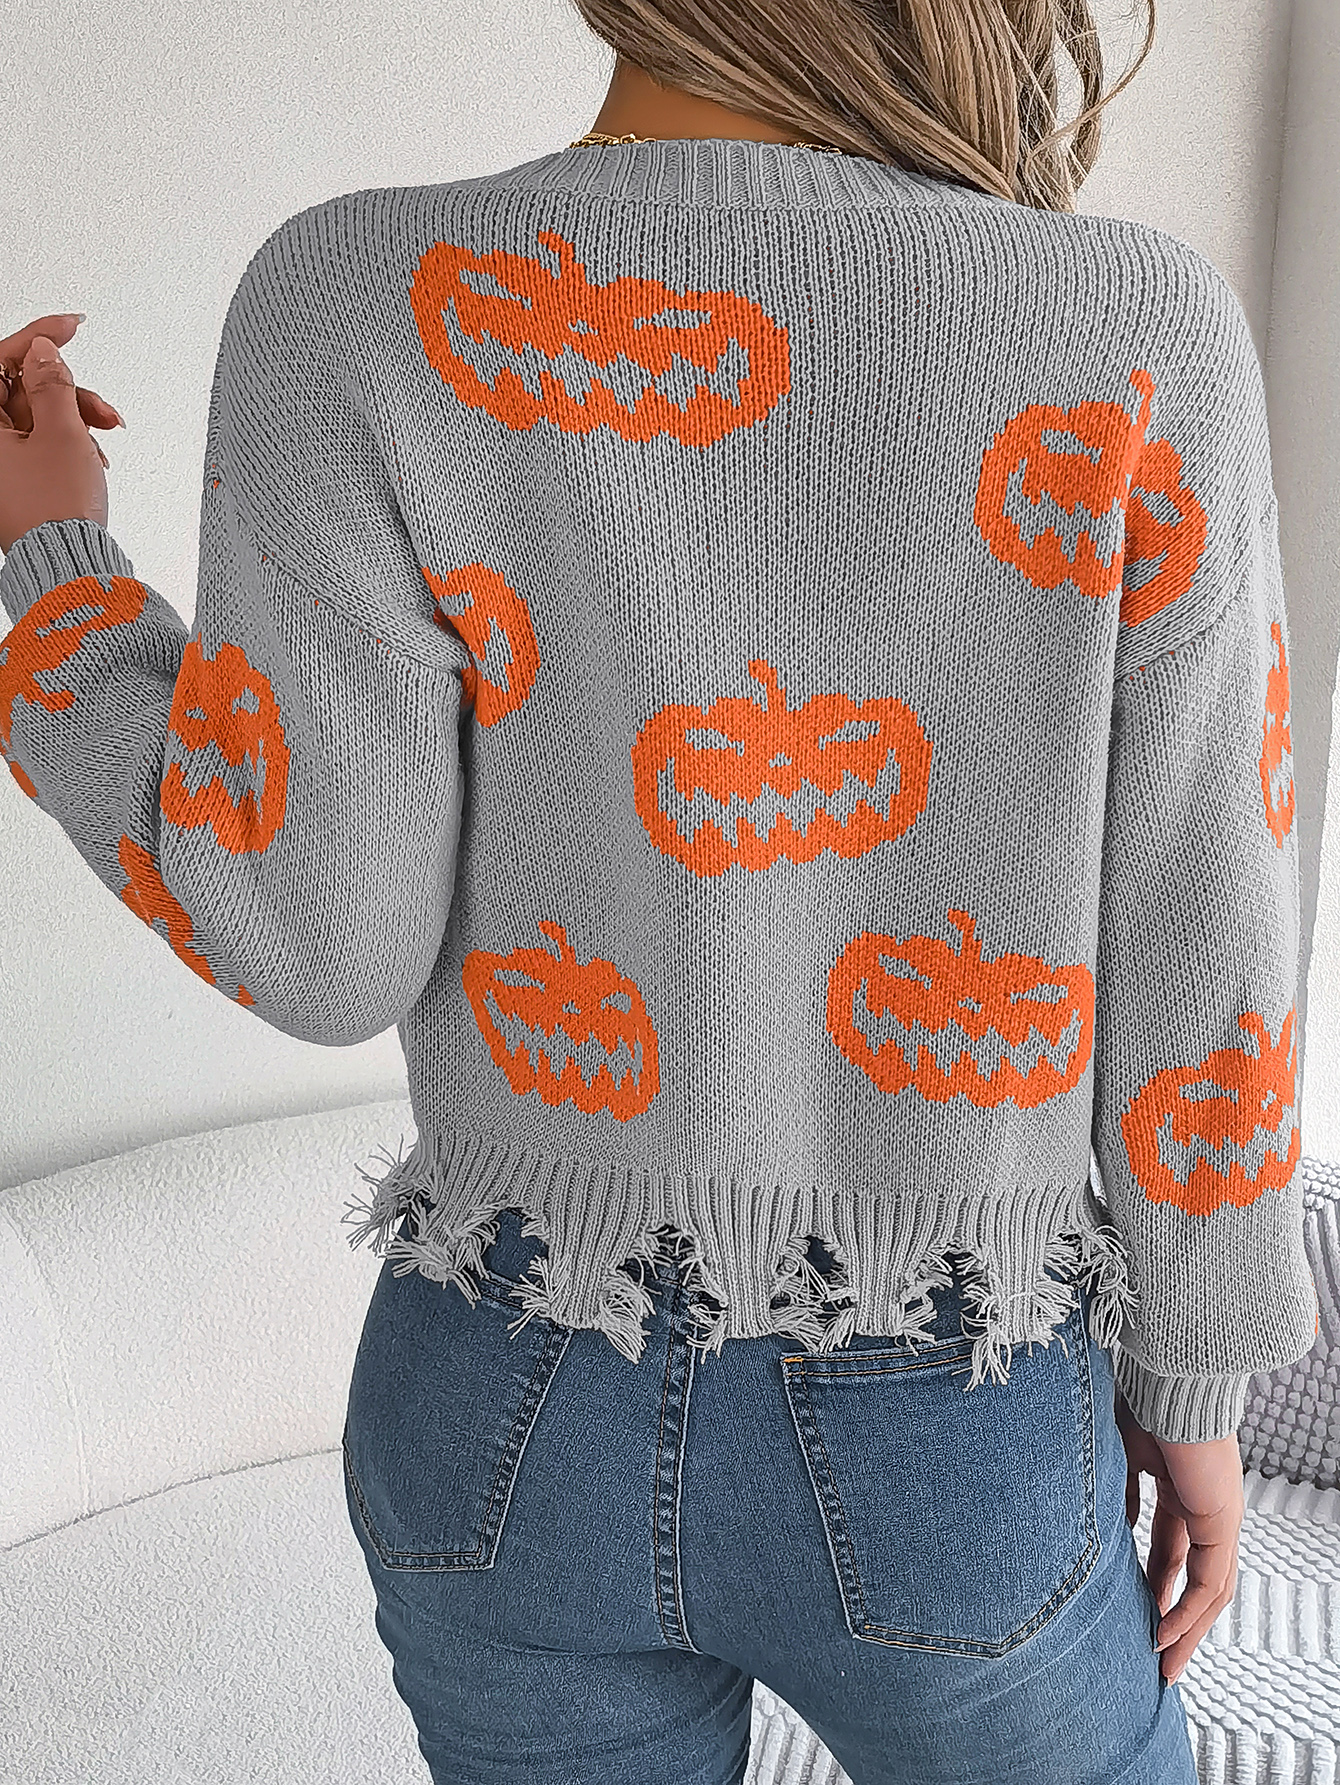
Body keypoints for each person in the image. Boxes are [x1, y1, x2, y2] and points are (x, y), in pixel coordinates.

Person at [0, 1, 1316, 1780]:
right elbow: (1203, 927)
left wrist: (57, 572)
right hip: (956, 1412)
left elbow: (315, 933)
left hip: (501, 1399)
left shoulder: (349, 296)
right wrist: (1194, 1381)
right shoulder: (1138, 326)